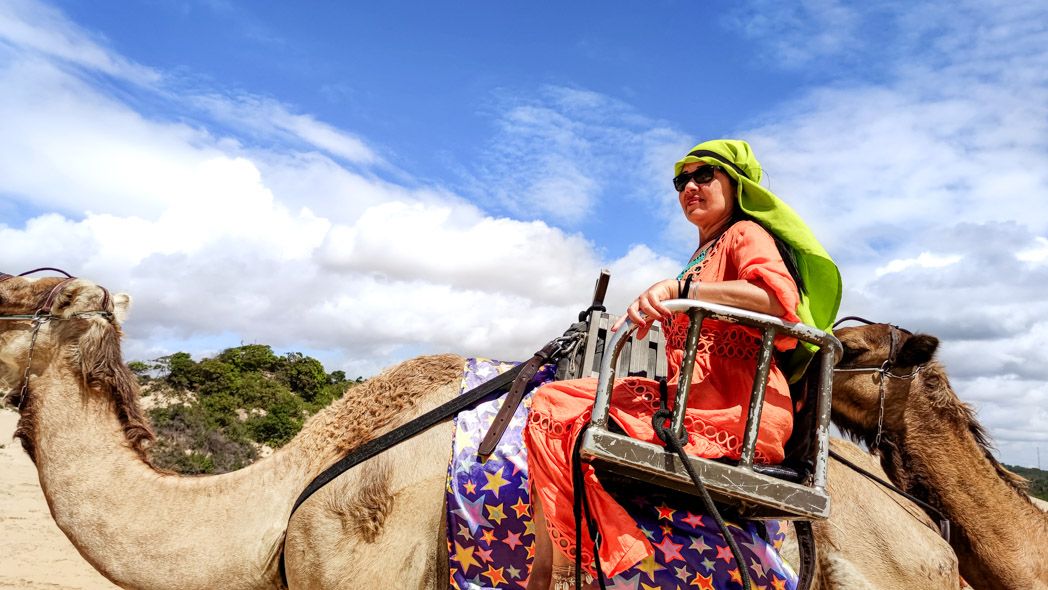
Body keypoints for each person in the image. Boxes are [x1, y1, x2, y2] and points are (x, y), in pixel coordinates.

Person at [523, 139, 841, 589]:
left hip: (736, 413)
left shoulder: (745, 235)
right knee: (555, 401)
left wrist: (682, 290)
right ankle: (557, 564)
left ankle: (558, 570)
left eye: (704, 175)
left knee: (557, 404)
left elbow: (777, 301)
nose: (690, 186)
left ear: (737, 184)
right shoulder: (703, 253)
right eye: (681, 180)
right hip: (691, 403)